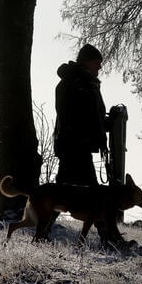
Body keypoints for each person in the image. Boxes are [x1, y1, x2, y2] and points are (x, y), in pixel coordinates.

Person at [54, 44, 108, 185]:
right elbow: (79, 116)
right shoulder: (78, 84)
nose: (99, 67)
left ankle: (49, 204)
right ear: (87, 62)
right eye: (97, 63)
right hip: (76, 147)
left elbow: (91, 115)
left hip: (74, 146)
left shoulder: (82, 83)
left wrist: (103, 125)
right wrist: (92, 134)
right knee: (88, 195)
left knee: (66, 193)